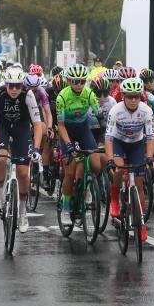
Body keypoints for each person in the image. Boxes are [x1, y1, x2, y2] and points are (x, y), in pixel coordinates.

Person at [0, 67, 44, 233]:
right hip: (3, 127)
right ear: (5, 84)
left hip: (22, 129)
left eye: (17, 86)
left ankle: (22, 212)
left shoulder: (28, 95)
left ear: (22, 85)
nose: (14, 89)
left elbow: (37, 124)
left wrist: (36, 148)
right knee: (2, 158)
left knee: (23, 173)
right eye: (10, 85)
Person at [104, 77, 154, 242]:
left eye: (137, 96)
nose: (134, 100)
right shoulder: (115, 111)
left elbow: (151, 137)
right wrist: (111, 159)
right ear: (123, 96)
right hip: (119, 143)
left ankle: (140, 223)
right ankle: (114, 198)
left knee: (139, 183)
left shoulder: (146, 110)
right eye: (129, 96)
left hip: (136, 144)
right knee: (119, 170)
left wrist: (149, 157)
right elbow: (108, 138)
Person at [56, 64, 100, 217]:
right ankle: (66, 208)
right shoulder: (62, 96)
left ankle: (87, 187)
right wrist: (68, 145)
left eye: (82, 81)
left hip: (83, 130)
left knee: (96, 164)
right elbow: (60, 126)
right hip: (67, 131)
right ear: (68, 81)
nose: (79, 85)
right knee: (70, 171)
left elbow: (99, 115)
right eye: (75, 81)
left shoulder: (89, 94)